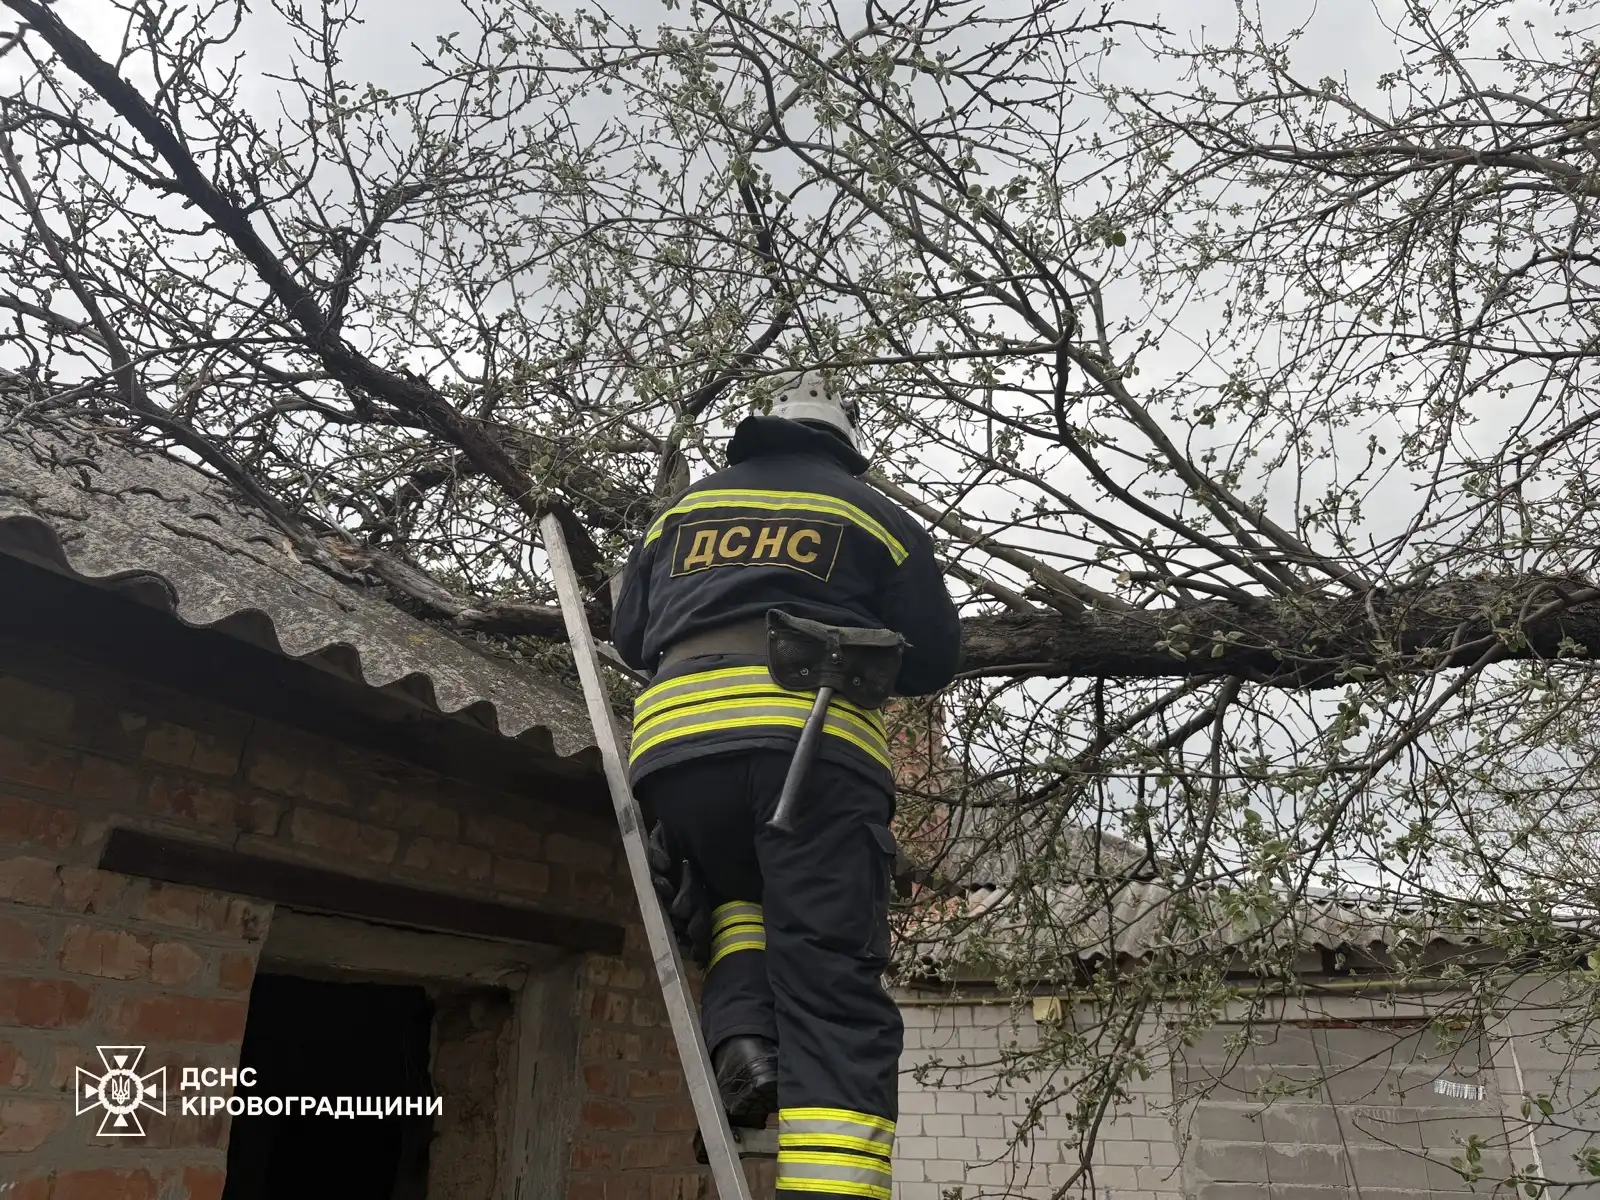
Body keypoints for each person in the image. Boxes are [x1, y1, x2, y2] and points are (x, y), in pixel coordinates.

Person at [610, 369, 961, 1200]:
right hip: (809, 754)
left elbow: (630, 635)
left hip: (676, 758)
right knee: (829, 978)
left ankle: (744, 1047)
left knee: (738, 910)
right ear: (844, 449)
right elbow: (938, 658)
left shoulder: (682, 513)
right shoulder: (873, 514)